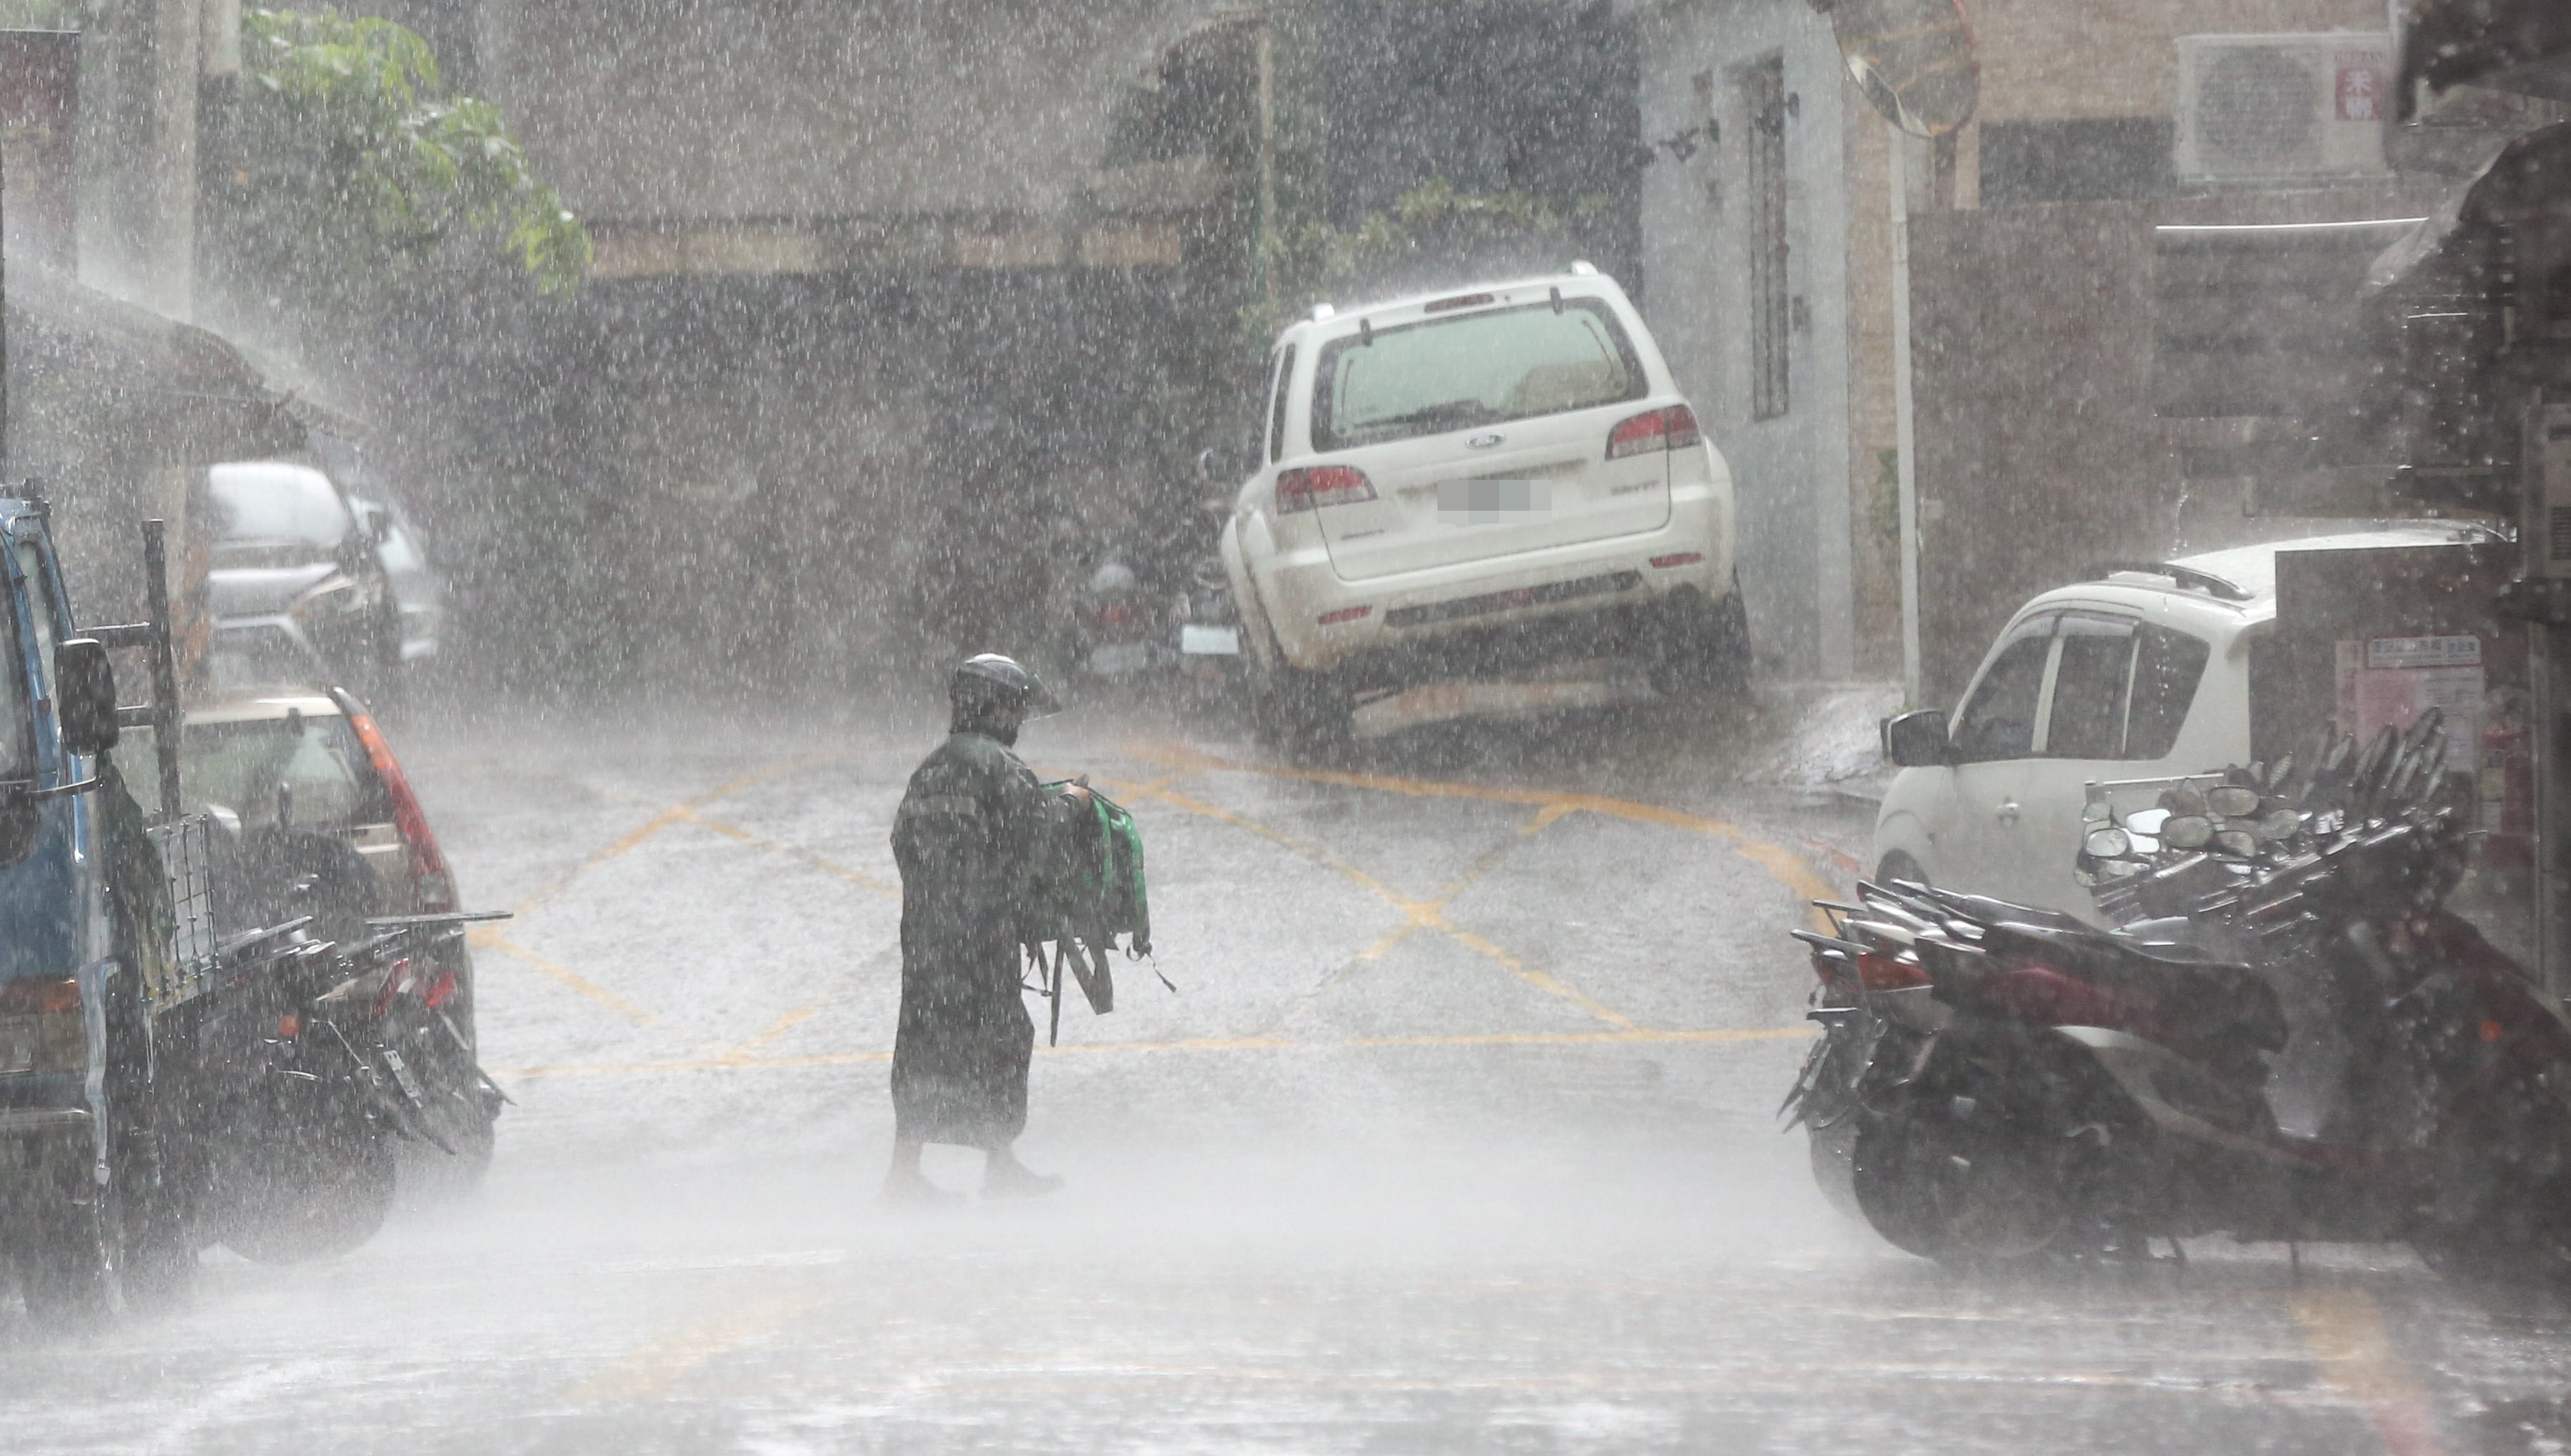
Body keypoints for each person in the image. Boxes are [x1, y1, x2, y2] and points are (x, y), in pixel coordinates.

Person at [884, 653, 1090, 1203]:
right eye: (1015, 709)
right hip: (981, 937)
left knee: (924, 1044)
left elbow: (902, 843)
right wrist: (1073, 802)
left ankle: (903, 1175)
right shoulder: (1001, 768)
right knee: (1000, 1040)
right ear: (993, 706)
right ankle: (999, 1168)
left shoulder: (929, 768)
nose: (1018, 721)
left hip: (927, 938)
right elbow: (1036, 838)